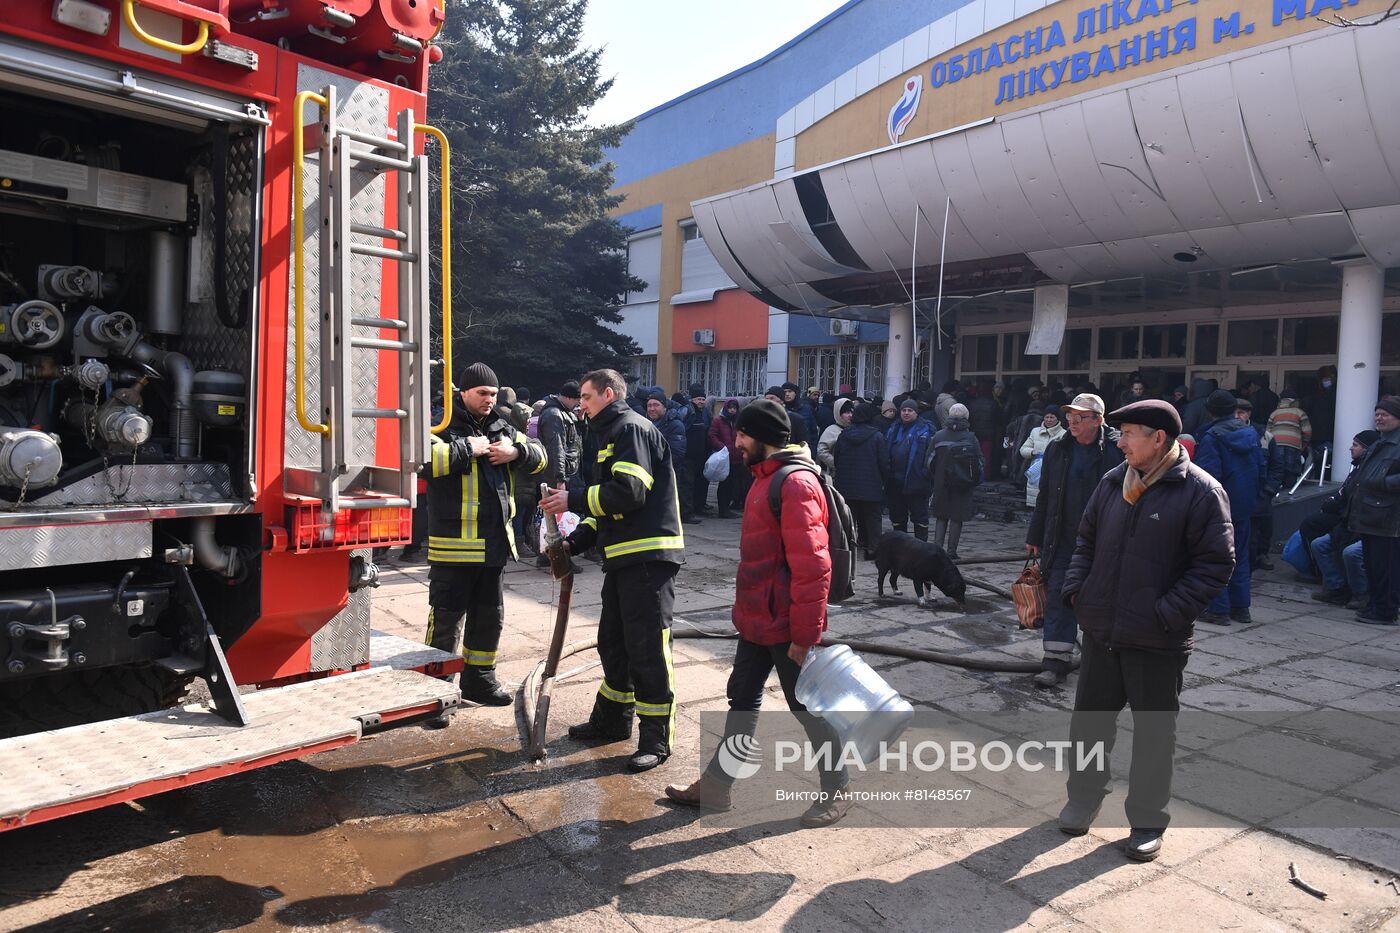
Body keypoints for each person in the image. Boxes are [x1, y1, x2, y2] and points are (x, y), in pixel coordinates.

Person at [1058, 399, 1234, 863]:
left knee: (1155, 734)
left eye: (1130, 433)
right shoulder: (1114, 481)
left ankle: (1147, 821)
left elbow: (1216, 565)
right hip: (1101, 629)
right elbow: (1086, 541)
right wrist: (1079, 592)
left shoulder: (1199, 491)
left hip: (1157, 637)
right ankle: (1083, 797)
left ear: (1160, 439)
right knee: (1090, 725)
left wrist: (1166, 612)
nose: (1120, 441)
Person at [664, 400, 850, 827]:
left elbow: (814, 566)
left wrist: (805, 636)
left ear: (762, 437)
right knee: (741, 700)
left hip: (786, 624)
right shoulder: (764, 478)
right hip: (756, 619)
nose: (736, 442)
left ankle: (838, 789)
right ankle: (717, 786)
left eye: (743, 435)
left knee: (808, 710)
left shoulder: (794, 483)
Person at [541, 369, 685, 771]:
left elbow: (629, 493)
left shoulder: (630, 429)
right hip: (624, 560)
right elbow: (608, 509)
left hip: (648, 560)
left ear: (608, 393)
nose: (581, 404)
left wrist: (572, 499)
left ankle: (656, 740)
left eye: (586, 397)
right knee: (614, 643)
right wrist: (573, 543)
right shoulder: (608, 432)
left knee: (649, 651)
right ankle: (612, 721)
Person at [425, 363, 548, 712]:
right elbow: (422, 462)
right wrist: (468, 448)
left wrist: (516, 452)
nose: (489, 400)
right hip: (453, 548)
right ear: (463, 393)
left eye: (493, 394)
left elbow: (541, 457)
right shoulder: (442, 423)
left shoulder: (501, 426)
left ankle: (480, 681)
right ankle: (436, 693)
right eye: (482, 393)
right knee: (446, 622)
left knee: (489, 617)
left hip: (493, 546)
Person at [1025, 394, 1124, 688]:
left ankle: (1104, 663)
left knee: (1102, 602)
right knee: (1058, 597)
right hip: (1064, 540)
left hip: (1105, 542)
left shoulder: (1118, 450)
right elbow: (1045, 496)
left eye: (1079, 418)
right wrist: (1035, 535)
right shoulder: (1058, 449)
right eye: (1070, 417)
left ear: (1098, 421)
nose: (1072, 423)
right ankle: (1055, 662)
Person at [1193, 389, 1266, 624]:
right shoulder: (1250, 433)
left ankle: (1218, 609)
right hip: (1245, 505)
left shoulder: (1212, 437)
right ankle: (1240, 608)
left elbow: (1207, 478)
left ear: (1210, 411)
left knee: (1214, 556)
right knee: (1240, 556)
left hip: (1218, 507)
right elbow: (1261, 469)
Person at [1346, 397, 1400, 625]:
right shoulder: (1380, 442)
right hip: (1370, 514)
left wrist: (1381, 482)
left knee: (1385, 567)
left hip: (1388, 517)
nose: (1379, 418)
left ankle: (1385, 610)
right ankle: (1376, 605)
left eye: (1385, 414)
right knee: (1372, 565)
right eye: (1377, 413)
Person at [1310, 431, 1378, 608]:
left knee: (1352, 553)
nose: (1350, 448)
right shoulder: (1356, 471)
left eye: (1355, 445)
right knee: (1319, 544)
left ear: (1366, 449)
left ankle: (1361, 594)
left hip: (1368, 527)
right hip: (1348, 524)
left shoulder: (1370, 472)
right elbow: (1342, 497)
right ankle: (1337, 588)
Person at [535, 381, 584, 570]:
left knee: (554, 518)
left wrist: (580, 421)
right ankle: (560, 557)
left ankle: (545, 555)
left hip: (561, 473)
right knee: (557, 519)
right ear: (570, 398)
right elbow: (557, 448)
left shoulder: (561, 412)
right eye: (578, 400)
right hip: (556, 475)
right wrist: (559, 478)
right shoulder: (554, 414)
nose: (579, 404)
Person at [831, 401, 888, 559]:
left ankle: (848, 548)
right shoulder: (877, 436)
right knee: (872, 518)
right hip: (871, 485)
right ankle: (873, 550)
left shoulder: (844, 435)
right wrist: (883, 481)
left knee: (849, 518)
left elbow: (837, 460)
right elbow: (884, 463)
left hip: (847, 485)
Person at [928, 402, 982, 559]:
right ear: (967, 417)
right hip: (963, 484)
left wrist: (936, 476)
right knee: (957, 518)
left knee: (941, 516)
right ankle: (952, 552)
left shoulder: (938, 436)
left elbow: (929, 461)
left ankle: (937, 550)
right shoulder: (971, 437)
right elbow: (979, 462)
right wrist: (974, 480)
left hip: (941, 482)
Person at [885, 398, 935, 541]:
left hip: (917, 482)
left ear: (916, 413)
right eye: (904, 410)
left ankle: (921, 549)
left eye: (910, 410)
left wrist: (926, 474)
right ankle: (901, 548)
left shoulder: (926, 429)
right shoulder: (893, 429)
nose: (906, 413)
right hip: (895, 483)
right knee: (897, 518)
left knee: (919, 517)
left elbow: (932, 455)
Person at [647, 391, 698, 526]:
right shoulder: (647, 423)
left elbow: (676, 454)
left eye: (656, 405)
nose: (652, 408)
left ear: (664, 407)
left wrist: (651, 463)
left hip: (667, 474)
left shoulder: (675, 425)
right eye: (649, 405)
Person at [1020, 406, 1066, 508]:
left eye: (1052, 417)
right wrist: (1032, 452)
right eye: (1047, 417)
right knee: (1035, 504)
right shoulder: (1035, 431)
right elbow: (1023, 449)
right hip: (1036, 470)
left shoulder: (1064, 434)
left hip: (1054, 470)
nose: (1049, 420)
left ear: (1058, 419)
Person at [707, 397, 744, 518]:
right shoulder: (719, 420)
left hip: (737, 457)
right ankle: (723, 509)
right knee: (724, 484)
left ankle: (729, 507)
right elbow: (712, 435)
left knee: (734, 483)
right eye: (730, 408)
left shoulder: (739, 421)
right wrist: (722, 447)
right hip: (724, 457)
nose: (732, 410)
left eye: (734, 408)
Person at [684, 384, 713, 517]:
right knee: (688, 484)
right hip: (688, 455)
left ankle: (699, 507)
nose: (701, 402)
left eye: (703, 399)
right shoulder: (688, 411)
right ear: (692, 399)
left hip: (702, 454)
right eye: (698, 399)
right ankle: (688, 511)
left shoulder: (706, 412)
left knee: (700, 482)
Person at [967, 384, 1001, 482]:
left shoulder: (971, 403)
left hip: (974, 432)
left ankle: (973, 474)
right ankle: (985, 475)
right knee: (986, 455)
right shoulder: (993, 404)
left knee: (974, 454)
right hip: (988, 433)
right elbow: (998, 419)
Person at [817, 397, 855, 478]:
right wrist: (836, 464)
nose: (850, 415)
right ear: (838, 413)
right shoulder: (831, 430)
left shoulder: (854, 429)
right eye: (847, 412)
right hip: (835, 475)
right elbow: (822, 451)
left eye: (851, 412)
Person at [1305, 365, 1337, 456]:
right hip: (1323, 436)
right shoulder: (1319, 394)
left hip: (1322, 436)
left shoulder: (1333, 393)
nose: (1326, 381)